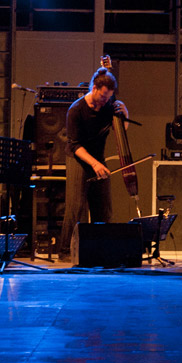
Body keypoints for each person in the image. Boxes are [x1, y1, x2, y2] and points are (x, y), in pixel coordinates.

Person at [60, 67, 129, 258]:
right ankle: (65, 251)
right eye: (103, 96)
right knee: (75, 207)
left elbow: (120, 131)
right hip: (78, 158)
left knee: (104, 207)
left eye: (108, 97)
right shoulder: (76, 110)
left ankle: (102, 250)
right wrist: (95, 164)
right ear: (94, 88)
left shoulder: (108, 106)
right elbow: (75, 145)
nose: (105, 101)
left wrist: (125, 114)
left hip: (98, 158)